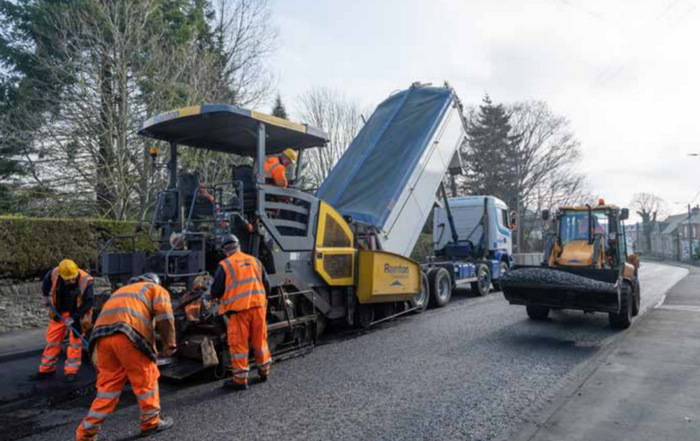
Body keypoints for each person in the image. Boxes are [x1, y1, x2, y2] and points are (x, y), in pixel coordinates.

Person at [75, 273, 177, 441]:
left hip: (101, 338)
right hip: (128, 335)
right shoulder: (155, 289)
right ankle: (151, 423)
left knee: (107, 388)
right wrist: (169, 344)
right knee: (146, 380)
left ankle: (85, 434)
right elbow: (165, 316)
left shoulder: (121, 291)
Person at [210, 234, 271, 390]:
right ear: (239, 247)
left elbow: (215, 291)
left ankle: (240, 380)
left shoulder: (225, 265)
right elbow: (267, 285)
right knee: (260, 342)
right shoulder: (255, 261)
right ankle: (264, 372)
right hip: (258, 308)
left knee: (239, 345)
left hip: (239, 312)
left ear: (226, 251)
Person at [31, 259, 94, 383]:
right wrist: (45, 296)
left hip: (77, 314)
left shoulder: (86, 281)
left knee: (74, 344)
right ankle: (46, 369)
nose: (71, 281)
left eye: (73, 278)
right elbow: (46, 282)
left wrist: (73, 317)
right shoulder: (54, 273)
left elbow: (89, 302)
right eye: (68, 279)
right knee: (52, 341)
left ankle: (71, 372)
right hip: (59, 312)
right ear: (61, 275)